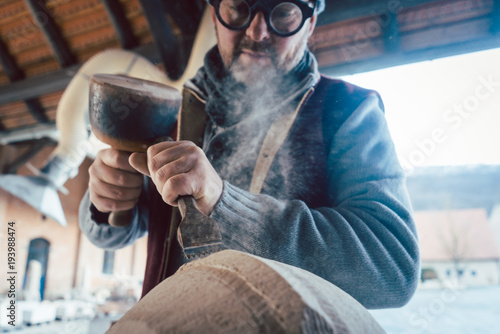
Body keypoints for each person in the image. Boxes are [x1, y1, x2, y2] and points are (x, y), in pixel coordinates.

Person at [79, 0, 420, 309]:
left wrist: (223, 202)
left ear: (310, 21)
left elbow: (393, 270)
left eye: (283, 11)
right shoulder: (175, 110)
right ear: (215, 14)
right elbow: (118, 231)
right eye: (239, 8)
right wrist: (105, 199)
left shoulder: (350, 110)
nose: (257, 32)